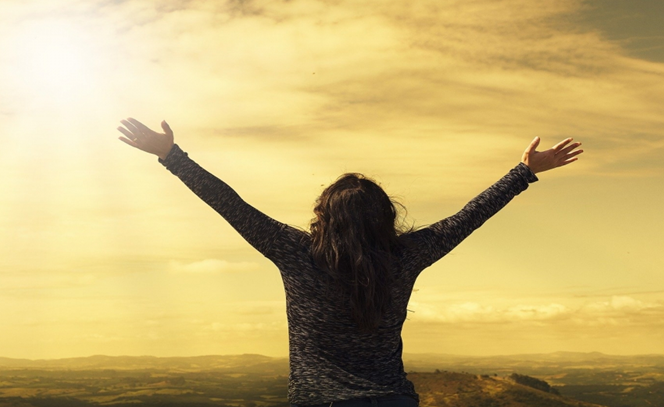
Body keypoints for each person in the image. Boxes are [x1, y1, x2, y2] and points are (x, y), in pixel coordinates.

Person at [117, 118, 583, 407]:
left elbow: (230, 205)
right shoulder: (407, 255)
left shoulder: (296, 253)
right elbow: (469, 216)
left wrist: (170, 155)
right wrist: (524, 172)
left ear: (323, 216)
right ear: (386, 216)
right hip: (395, 399)